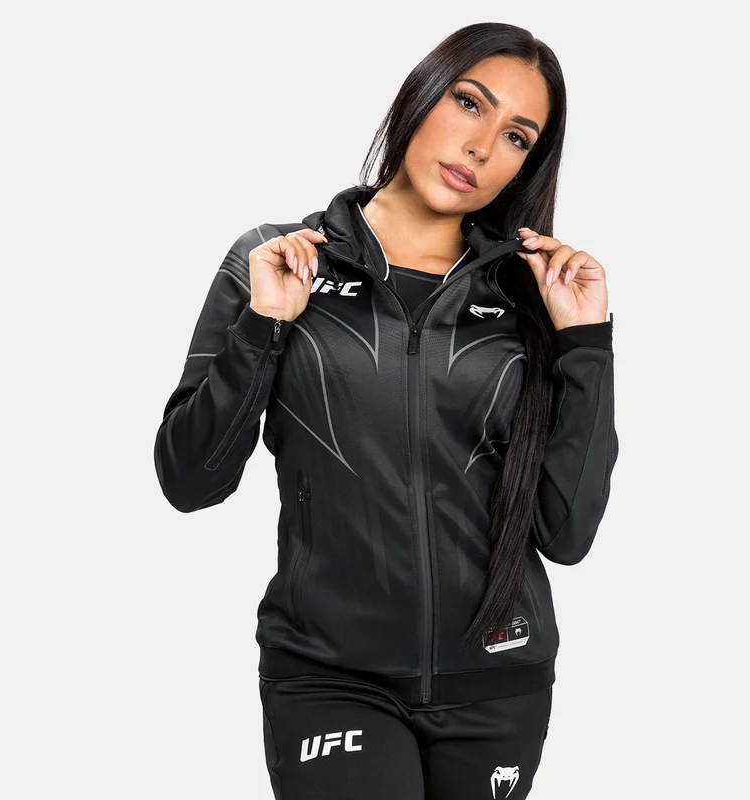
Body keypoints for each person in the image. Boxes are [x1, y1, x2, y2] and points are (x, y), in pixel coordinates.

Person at [154, 21, 619, 800]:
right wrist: (263, 326)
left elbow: (566, 533)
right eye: (469, 102)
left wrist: (586, 343)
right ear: (419, 95)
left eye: (516, 136)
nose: (481, 147)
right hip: (329, 676)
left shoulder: (530, 297)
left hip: (498, 688)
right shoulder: (279, 260)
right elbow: (189, 478)